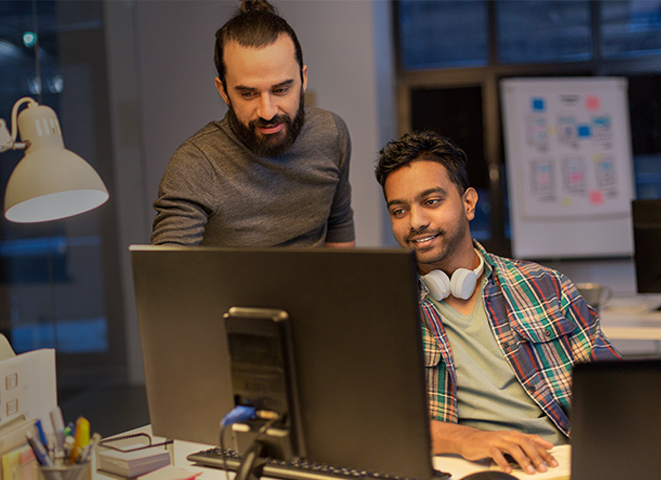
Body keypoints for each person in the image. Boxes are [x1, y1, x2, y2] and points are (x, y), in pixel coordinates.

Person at [374, 131, 621, 475]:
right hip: (471, 471)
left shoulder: (545, 286)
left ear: (469, 204)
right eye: (400, 210)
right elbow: (370, 418)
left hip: (565, 463)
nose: (416, 222)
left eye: (431, 201)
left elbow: (617, 393)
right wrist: (465, 438)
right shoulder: (383, 312)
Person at [151, 0, 355, 248]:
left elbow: (340, 226)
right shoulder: (197, 165)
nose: (267, 112)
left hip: (317, 286)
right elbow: (168, 272)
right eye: (248, 94)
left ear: (303, 79)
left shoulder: (331, 134)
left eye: (280, 89)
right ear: (223, 91)